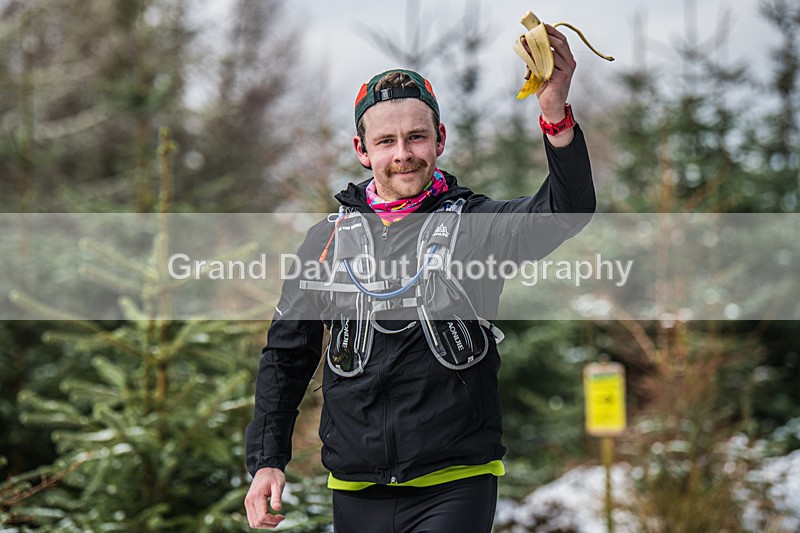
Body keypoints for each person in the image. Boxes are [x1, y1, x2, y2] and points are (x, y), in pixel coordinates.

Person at [244, 25, 595, 532]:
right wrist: (266, 459)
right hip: (356, 486)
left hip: (456, 482)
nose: (402, 152)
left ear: (440, 140)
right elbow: (286, 355)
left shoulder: (475, 226)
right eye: (385, 140)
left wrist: (556, 114)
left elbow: (566, 211)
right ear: (362, 150)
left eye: (415, 136)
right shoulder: (325, 240)